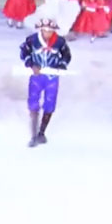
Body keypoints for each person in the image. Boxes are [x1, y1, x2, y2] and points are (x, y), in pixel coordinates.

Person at [20, 17, 71, 147]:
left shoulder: (60, 41)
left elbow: (66, 55)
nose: (47, 33)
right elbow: (24, 52)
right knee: (33, 103)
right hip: (36, 76)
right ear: (41, 30)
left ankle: (42, 132)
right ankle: (33, 135)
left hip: (52, 77)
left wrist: (62, 65)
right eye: (45, 30)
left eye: (50, 31)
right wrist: (31, 64)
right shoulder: (32, 40)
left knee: (50, 103)